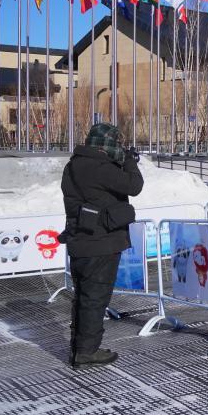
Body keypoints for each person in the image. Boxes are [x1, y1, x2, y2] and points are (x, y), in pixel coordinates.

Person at [60, 123, 143, 369]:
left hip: (80, 239)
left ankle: (79, 348)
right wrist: (130, 161)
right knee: (95, 298)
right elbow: (134, 186)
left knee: (83, 297)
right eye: (117, 145)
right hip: (101, 242)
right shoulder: (101, 167)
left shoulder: (74, 165)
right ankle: (87, 352)